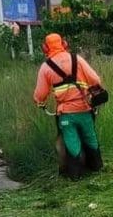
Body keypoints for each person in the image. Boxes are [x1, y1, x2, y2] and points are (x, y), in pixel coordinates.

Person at [34, 33, 103, 179]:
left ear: (45, 48)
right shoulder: (77, 59)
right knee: (91, 138)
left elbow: (40, 94)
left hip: (66, 115)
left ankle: (75, 175)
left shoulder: (46, 67)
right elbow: (95, 79)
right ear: (64, 44)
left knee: (71, 142)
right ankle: (96, 168)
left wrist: (40, 102)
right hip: (85, 110)